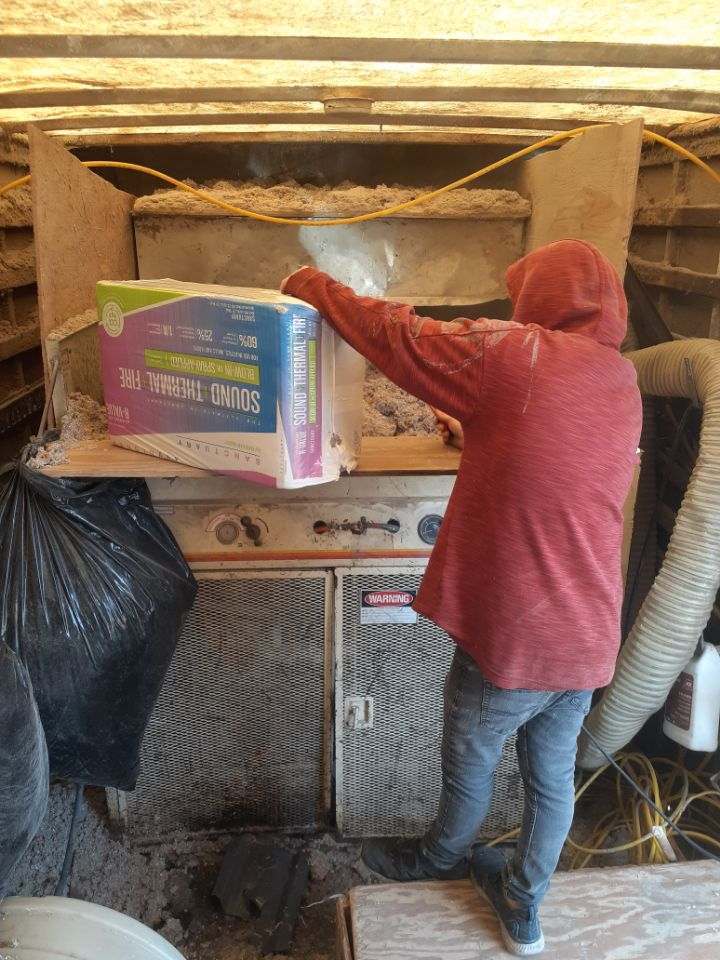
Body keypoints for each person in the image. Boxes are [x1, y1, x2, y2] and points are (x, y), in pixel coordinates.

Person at [281, 239, 641, 957]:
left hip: (514, 634)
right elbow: (553, 454)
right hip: (588, 637)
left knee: (469, 761)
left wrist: (309, 282)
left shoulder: (516, 355)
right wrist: (476, 425)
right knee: (550, 777)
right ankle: (526, 908)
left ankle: (436, 863)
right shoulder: (622, 379)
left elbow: (397, 334)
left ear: (543, 296)